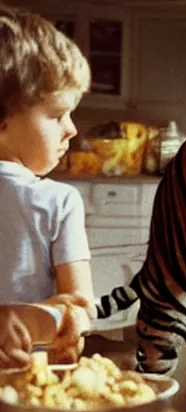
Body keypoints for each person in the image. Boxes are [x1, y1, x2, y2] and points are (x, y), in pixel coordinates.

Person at [0, 6, 95, 367]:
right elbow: (78, 309)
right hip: (25, 389)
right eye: (56, 115)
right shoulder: (58, 201)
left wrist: (15, 319)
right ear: (3, 118)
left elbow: (80, 311)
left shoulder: (60, 201)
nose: (71, 129)